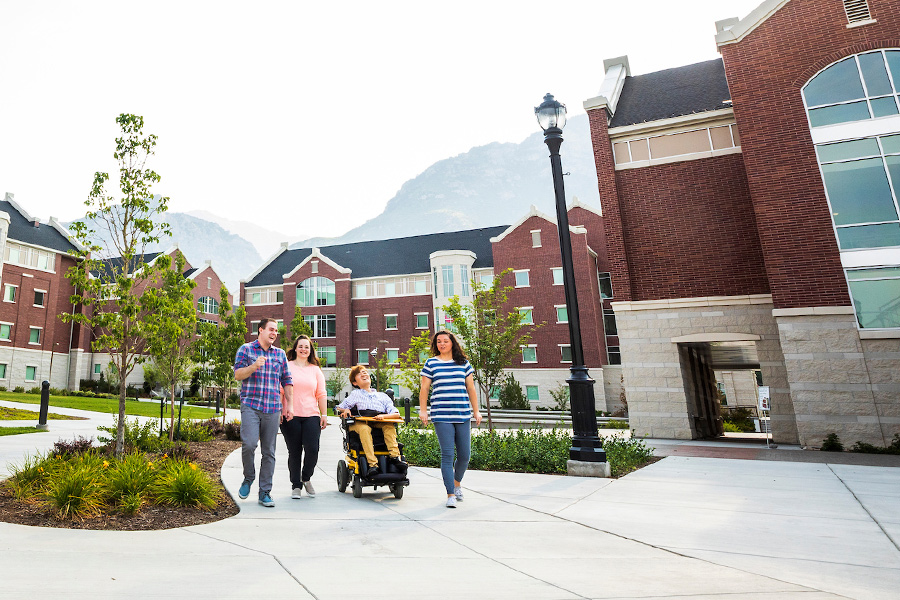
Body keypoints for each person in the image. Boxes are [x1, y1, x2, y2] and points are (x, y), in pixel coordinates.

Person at [234, 318, 293, 507]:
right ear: (260, 330)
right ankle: (248, 478)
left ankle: (265, 492)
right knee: (249, 444)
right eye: (271, 329)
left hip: (273, 408)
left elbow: (287, 380)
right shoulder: (246, 349)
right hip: (251, 405)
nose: (274, 333)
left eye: (276, 331)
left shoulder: (280, 354)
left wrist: (289, 405)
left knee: (269, 452)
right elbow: (237, 375)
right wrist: (253, 367)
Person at [419, 330, 482, 508]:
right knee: (447, 455)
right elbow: (424, 389)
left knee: (464, 455)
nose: (442, 344)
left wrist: (476, 411)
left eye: (445, 341)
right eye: (439, 342)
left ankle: (457, 483)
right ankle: (450, 494)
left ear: (452, 343)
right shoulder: (431, 363)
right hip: (441, 414)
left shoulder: (463, 363)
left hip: (462, 414)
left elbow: (471, 389)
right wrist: (423, 410)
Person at [280, 335, 328, 499]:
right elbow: (281, 390)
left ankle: (306, 477)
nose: (303, 349)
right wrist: (280, 411)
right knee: (294, 452)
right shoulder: (287, 366)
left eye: (306, 347)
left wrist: (325, 414)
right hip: (290, 415)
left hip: (311, 415)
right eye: (300, 346)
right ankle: (296, 485)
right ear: (295, 348)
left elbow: (321, 393)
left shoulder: (315, 370)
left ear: (310, 350)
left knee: (312, 450)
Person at [336, 365, 404, 477]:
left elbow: (396, 414)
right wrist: (346, 409)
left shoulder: (383, 396)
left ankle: (395, 458)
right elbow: (338, 408)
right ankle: (373, 464)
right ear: (355, 383)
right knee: (364, 428)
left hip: (380, 420)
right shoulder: (355, 394)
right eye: (359, 374)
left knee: (389, 426)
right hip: (360, 421)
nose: (363, 374)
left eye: (365, 372)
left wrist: (384, 417)